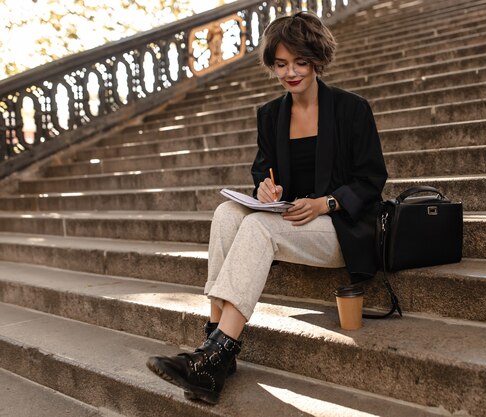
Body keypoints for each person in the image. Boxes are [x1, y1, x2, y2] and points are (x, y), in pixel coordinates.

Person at [146, 11, 388, 404]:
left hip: (338, 227)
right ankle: (215, 346)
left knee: (259, 229)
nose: (289, 72)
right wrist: (266, 189)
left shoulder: (351, 109)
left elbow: (372, 180)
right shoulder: (271, 115)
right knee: (227, 214)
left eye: (299, 62)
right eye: (280, 64)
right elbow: (264, 170)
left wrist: (324, 203)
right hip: (290, 219)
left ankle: (214, 358)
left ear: (316, 60)